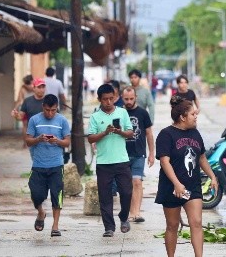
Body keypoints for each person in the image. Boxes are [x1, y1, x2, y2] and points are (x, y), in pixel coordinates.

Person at [155, 96, 218, 257]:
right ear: (182, 117)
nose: (196, 117)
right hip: (171, 187)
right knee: (172, 225)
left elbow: (202, 157)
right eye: (192, 115)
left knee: (196, 223)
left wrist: (212, 176)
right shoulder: (166, 134)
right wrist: (176, 183)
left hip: (192, 185)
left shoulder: (195, 133)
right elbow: (164, 162)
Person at [87, 84, 134, 237]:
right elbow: (91, 138)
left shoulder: (122, 112)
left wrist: (119, 131)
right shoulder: (95, 117)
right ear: (99, 100)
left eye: (111, 99)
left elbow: (130, 133)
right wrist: (105, 132)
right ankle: (109, 227)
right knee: (105, 195)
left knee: (126, 192)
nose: (108, 102)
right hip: (103, 162)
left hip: (121, 160)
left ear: (115, 97)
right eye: (105, 99)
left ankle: (124, 217)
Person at [24, 94, 71, 237]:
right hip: (38, 164)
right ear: (43, 107)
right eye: (47, 110)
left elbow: (67, 142)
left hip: (56, 165)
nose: (50, 113)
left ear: (57, 108)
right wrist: (38, 139)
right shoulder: (34, 120)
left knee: (57, 195)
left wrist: (57, 141)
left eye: (53, 110)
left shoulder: (62, 121)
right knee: (36, 194)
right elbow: (28, 141)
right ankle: (41, 212)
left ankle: (55, 227)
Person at [121, 87, 155, 223]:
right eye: (126, 99)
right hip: (122, 155)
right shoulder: (119, 113)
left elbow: (149, 134)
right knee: (126, 185)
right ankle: (130, 212)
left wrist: (152, 153)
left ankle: (136, 212)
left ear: (136, 97)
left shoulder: (143, 113)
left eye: (131, 98)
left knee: (137, 182)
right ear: (122, 98)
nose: (129, 101)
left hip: (139, 154)